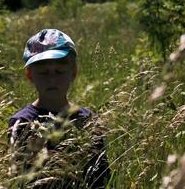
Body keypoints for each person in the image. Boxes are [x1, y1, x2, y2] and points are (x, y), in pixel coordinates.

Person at [8, 29, 110, 188]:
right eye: (43, 72)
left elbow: (101, 177)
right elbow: (20, 180)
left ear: (73, 73)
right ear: (29, 75)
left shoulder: (87, 119)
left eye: (59, 71)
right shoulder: (22, 122)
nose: (52, 79)